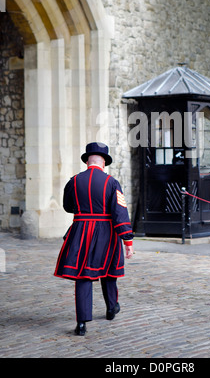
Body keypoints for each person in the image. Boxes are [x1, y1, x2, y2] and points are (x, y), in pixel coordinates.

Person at [54, 142, 134, 336]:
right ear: (104, 162)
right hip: (107, 232)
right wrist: (128, 241)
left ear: (87, 161)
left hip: (81, 231)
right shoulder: (111, 182)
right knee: (109, 272)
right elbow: (120, 213)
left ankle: (81, 324)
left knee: (83, 276)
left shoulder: (73, 181)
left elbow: (67, 206)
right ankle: (111, 308)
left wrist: (84, 211)